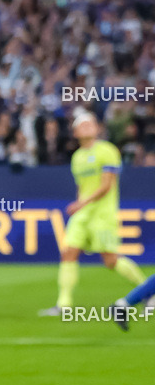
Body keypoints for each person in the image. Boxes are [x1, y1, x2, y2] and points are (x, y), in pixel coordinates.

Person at [39, 113, 145, 316]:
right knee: (68, 252)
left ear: (97, 128)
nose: (87, 127)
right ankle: (64, 304)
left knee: (110, 260)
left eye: (90, 123)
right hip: (83, 213)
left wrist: (81, 203)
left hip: (102, 212)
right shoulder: (77, 157)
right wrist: (80, 205)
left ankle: (146, 290)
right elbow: (82, 187)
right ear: (76, 132)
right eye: (82, 124)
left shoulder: (107, 150)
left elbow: (107, 185)